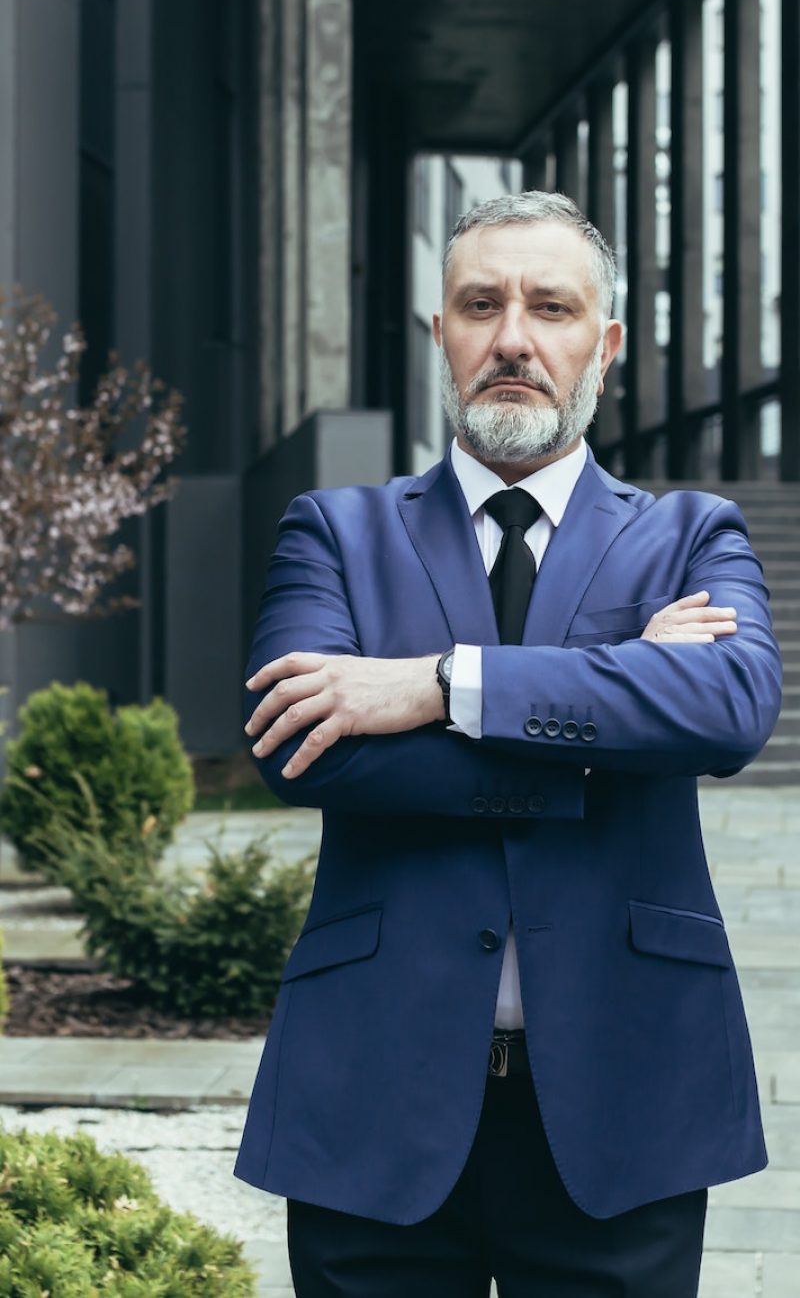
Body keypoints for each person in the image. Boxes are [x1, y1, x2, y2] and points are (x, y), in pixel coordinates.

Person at [234, 191, 782, 1298]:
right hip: (372, 1092)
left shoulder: (689, 535)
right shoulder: (334, 532)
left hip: (626, 1096)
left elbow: (725, 708)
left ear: (604, 342)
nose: (513, 339)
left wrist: (441, 685)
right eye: (480, 306)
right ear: (440, 333)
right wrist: (610, 720)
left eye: (550, 307)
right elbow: (303, 750)